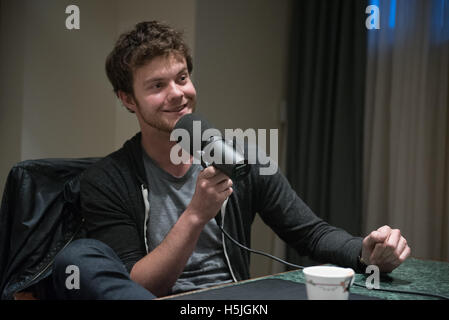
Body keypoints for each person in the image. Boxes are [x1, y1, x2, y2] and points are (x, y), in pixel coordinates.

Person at [51, 21, 411, 300]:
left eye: (182, 78)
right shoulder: (107, 179)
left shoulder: (243, 159)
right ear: (128, 99)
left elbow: (311, 233)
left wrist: (364, 252)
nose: (177, 94)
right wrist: (195, 215)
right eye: (157, 86)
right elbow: (137, 288)